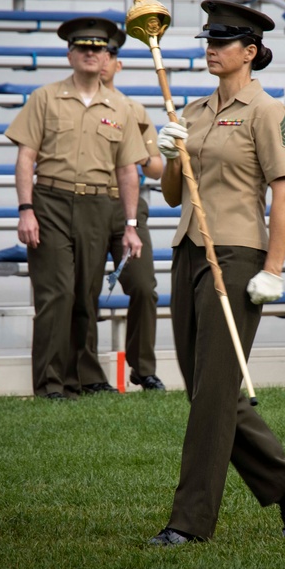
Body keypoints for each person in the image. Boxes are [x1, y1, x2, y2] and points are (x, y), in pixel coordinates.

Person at [148, 0, 285, 545]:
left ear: (250, 52)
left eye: (223, 42)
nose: (211, 48)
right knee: (208, 389)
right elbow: (174, 194)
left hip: (238, 253)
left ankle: (189, 522)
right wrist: (172, 153)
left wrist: (273, 268)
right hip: (188, 249)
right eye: (208, 40)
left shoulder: (268, 111)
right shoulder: (193, 110)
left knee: (213, 395)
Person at [5, 17, 147, 400]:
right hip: (50, 201)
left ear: (106, 57)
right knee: (56, 294)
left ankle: (78, 380)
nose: (90, 53)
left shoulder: (120, 107)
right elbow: (25, 157)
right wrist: (25, 209)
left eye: (97, 48)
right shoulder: (45, 98)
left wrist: (130, 225)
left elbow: (128, 171)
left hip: (100, 205)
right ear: (69, 53)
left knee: (85, 296)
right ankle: (50, 384)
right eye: (82, 46)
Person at [76, 28, 167, 392]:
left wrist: (147, 157)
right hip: (87, 203)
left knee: (144, 286)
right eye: (94, 52)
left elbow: (157, 168)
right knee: (84, 289)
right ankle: (87, 374)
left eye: (108, 54)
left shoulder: (132, 109)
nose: (101, 60)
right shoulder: (76, 104)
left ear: (117, 63)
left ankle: (143, 368)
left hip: (126, 207)